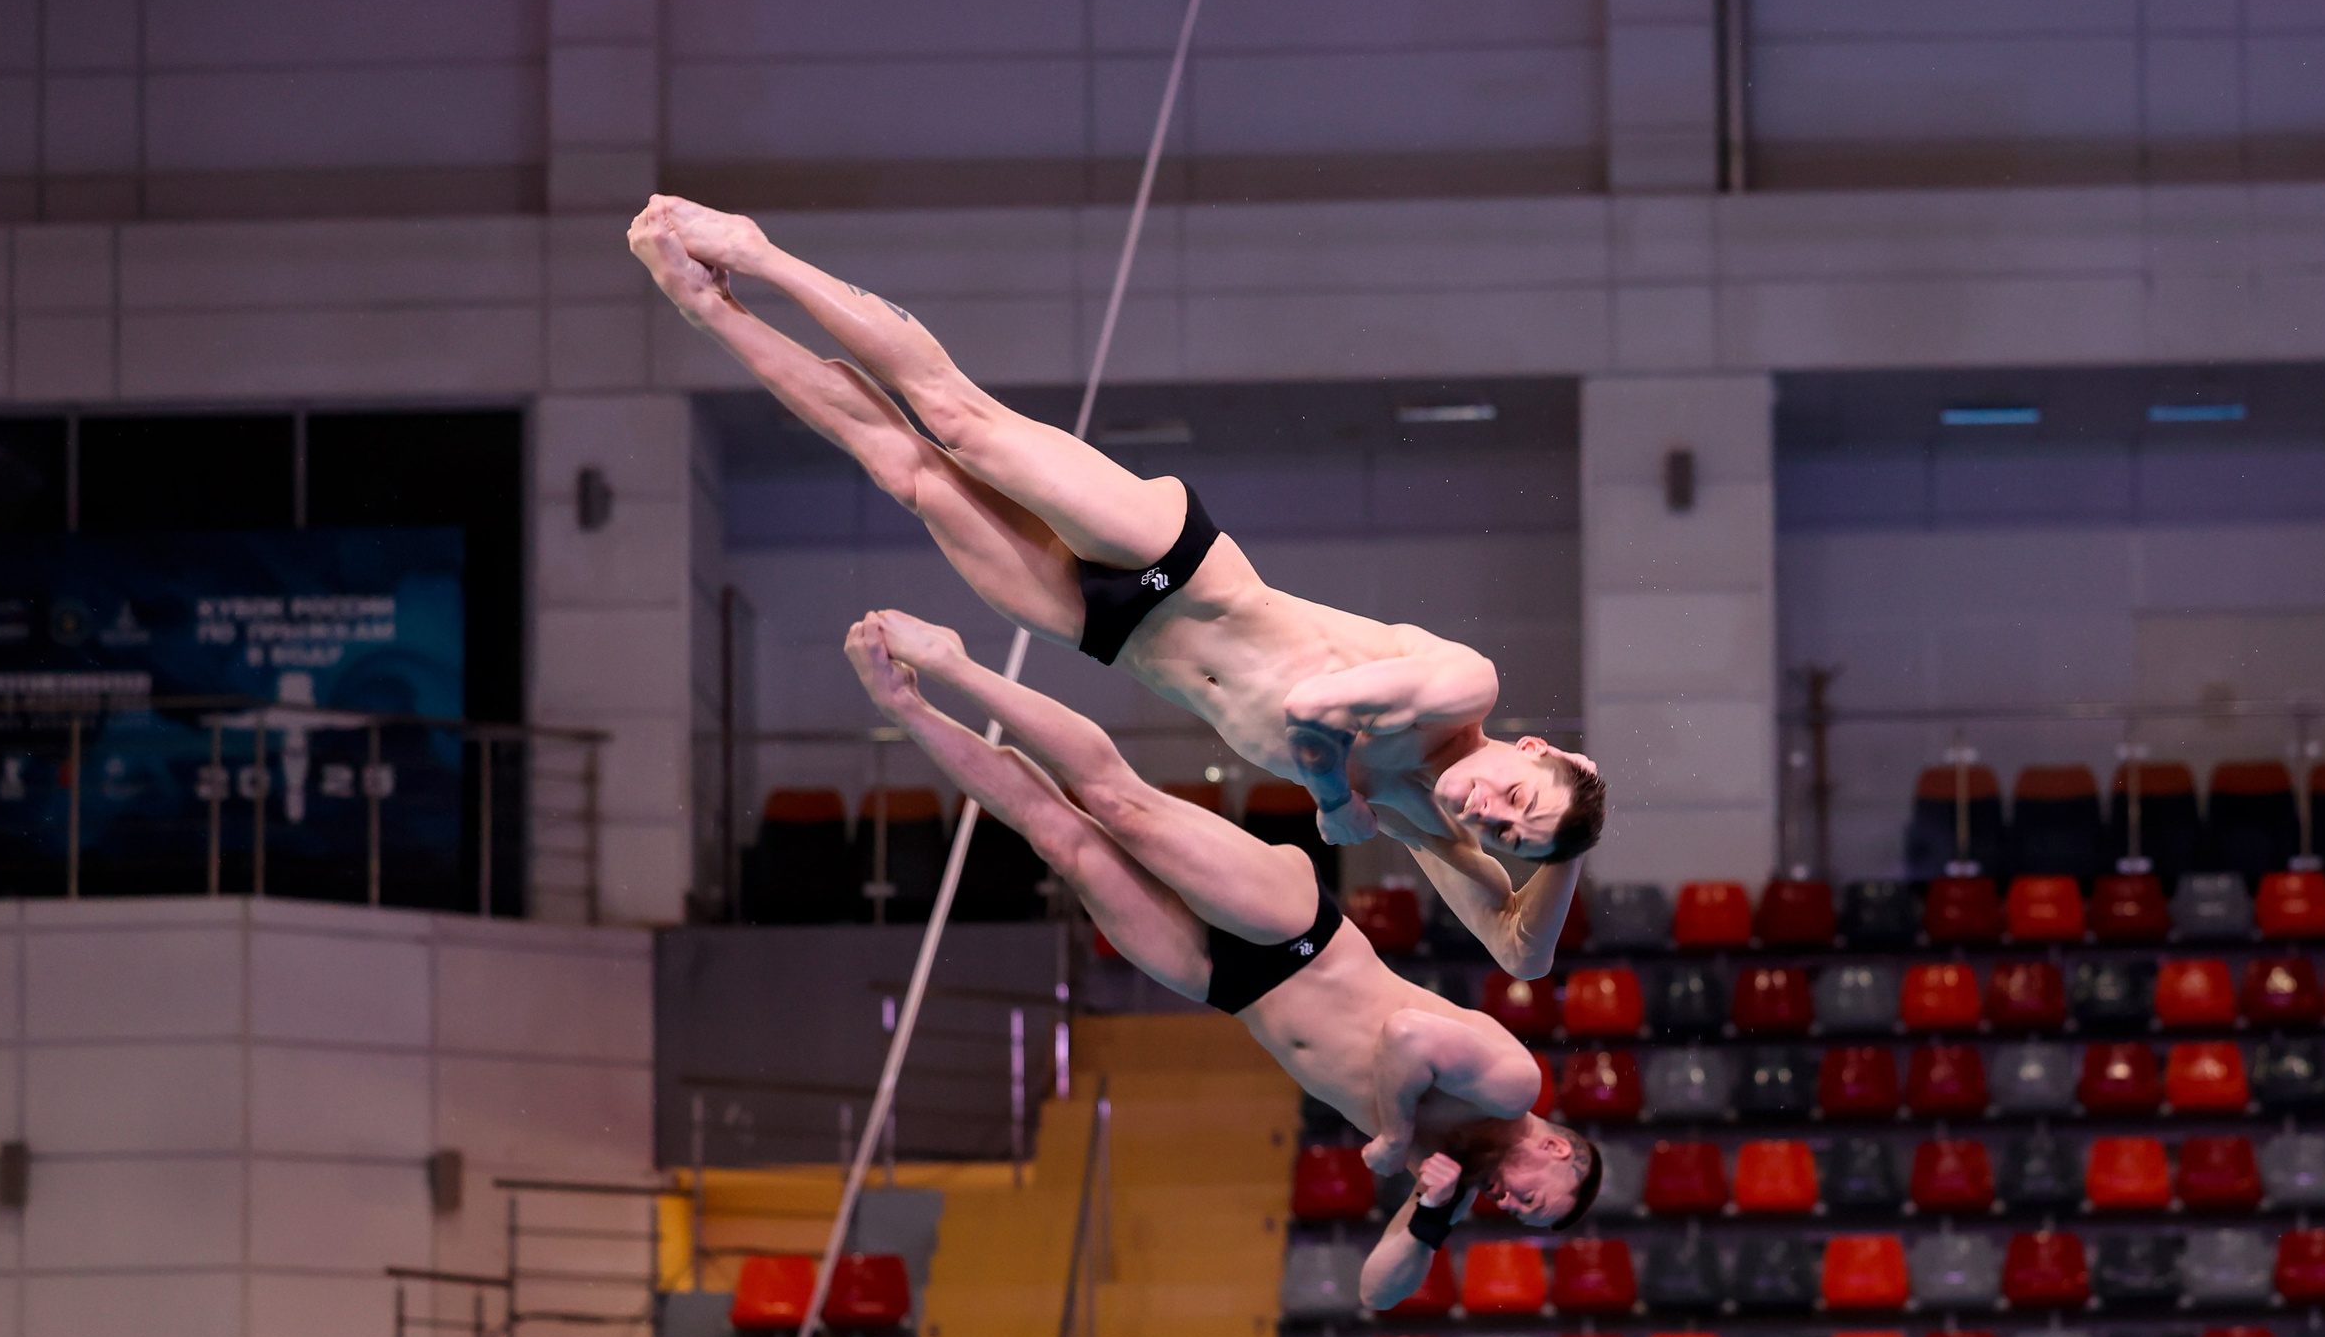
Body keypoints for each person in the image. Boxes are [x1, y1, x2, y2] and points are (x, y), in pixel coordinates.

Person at [628, 196, 1603, 977]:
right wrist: (1332, 798)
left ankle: (709, 308)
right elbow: (1313, 709)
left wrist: (1560, 844)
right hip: (1176, 562)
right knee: (956, 420)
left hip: (1109, 635)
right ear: (1535, 745)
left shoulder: (1421, 815)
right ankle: (755, 251)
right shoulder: (1463, 687)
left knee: (906, 472)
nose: (1494, 815)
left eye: (1511, 836)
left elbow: (1521, 955)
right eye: (1518, 794)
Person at [843, 606, 1599, 1307]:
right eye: (1531, 1197)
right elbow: (1408, 1038)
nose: (1509, 1203)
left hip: (1232, 986)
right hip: (1298, 936)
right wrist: (1399, 1136)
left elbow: (1378, 1291)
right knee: (1115, 802)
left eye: (1518, 1214)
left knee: (1062, 841)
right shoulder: (1513, 1085)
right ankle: (953, 663)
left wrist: (1431, 1214)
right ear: (1556, 1149)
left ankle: (905, 707)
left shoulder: (1452, 1179)